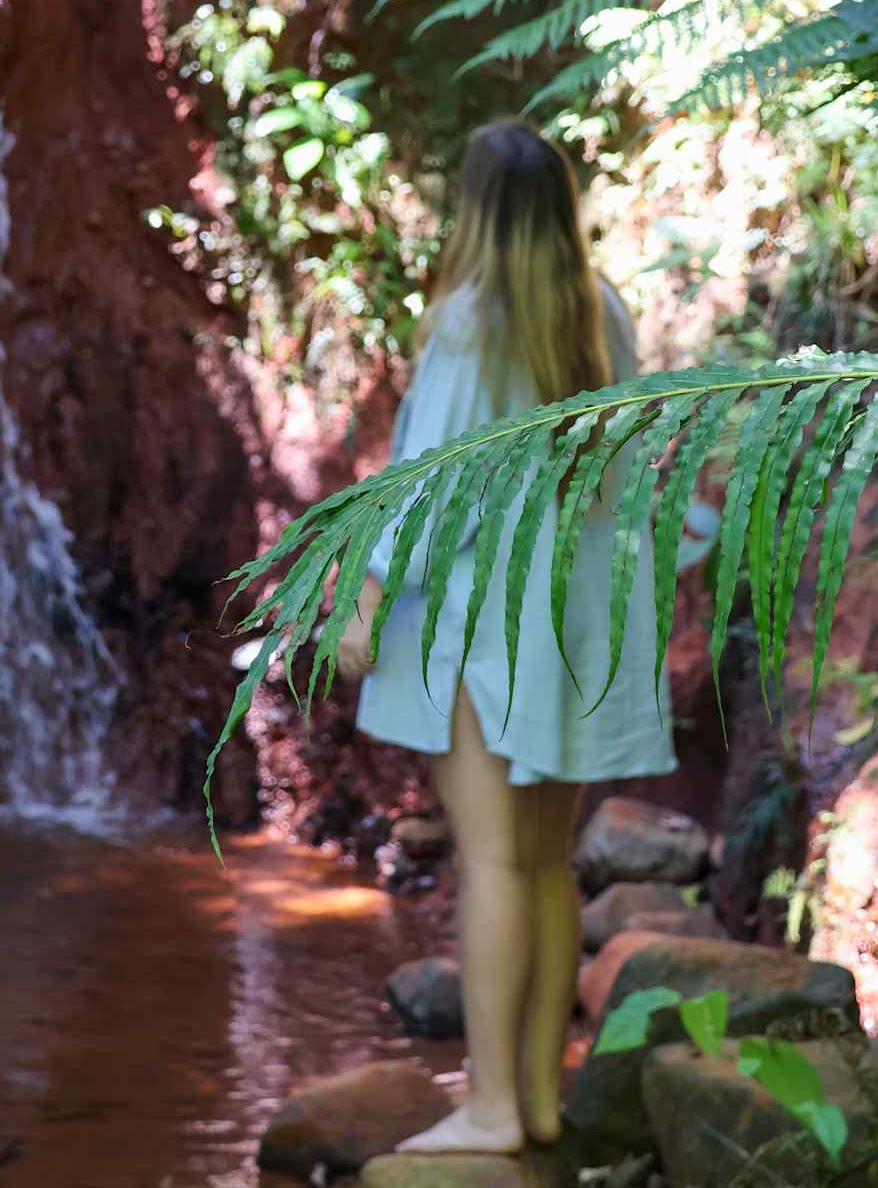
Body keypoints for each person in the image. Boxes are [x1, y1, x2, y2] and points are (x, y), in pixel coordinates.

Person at [336, 119, 676, 1157]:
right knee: (541, 864)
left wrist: (359, 606)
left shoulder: (466, 322)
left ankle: (487, 1109)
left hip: (492, 610)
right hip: (584, 607)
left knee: (488, 862)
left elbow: (429, 485)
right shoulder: (599, 309)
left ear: (474, 211)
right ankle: (534, 1100)